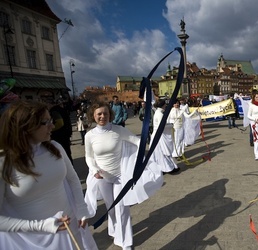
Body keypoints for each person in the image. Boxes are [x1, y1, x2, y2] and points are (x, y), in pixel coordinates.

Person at [0, 100, 97, 249]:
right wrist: (42, 226)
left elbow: (72, 179)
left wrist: (82, 210)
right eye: (46, 122)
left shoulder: (56, 148)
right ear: (25, 127)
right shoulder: (4, 162)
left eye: (51, 120)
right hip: (33, 241)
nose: (52, 126)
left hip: (70, 229)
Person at [84, 101, 150, 250]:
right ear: (93, 116)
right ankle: (114, 230)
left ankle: (126, 242)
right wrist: (94, 170)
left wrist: (146, 148)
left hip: (120, 176)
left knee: (122, 208)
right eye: (99, 114)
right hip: (102, 177)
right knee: (111, 209)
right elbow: (89, 157)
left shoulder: (118, 130)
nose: (103, 116)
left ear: (110, 114)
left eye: (105, 113)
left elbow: (136, 141)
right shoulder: (90, 136)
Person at [150, 99, 180, 173]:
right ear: (163, 105)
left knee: (161, 153)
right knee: (163, 152)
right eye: (165, 105)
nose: (166, 106)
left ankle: (165, 167)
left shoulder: (158, 112)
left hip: (158, 135)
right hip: (160, 136)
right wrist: (170, 125)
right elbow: (162, 126)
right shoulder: (159, 113)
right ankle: (167, 168)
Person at [50, 98, 73, 163]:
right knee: (67, 154)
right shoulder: (63, 110)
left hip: (59, 136)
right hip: (66, 135)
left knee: (61, 155)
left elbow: (60, 123)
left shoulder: (54, 111)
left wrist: (50, 129)